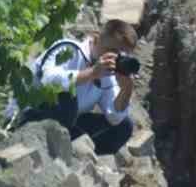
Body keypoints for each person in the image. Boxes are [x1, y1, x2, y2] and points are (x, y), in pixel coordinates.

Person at [12, 18, 138, 155]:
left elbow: (114, 118)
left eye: (123, 55)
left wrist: (126, 90)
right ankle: (64, 149)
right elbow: (47, 81)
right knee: (68, 98)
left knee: (124, 126)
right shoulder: (68, 48)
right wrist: (91, 73)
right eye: (113, 50)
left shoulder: (109, 73)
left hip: (68, 121)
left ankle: (79, 157)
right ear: (97, 39)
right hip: (33, 111)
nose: (117, 57)